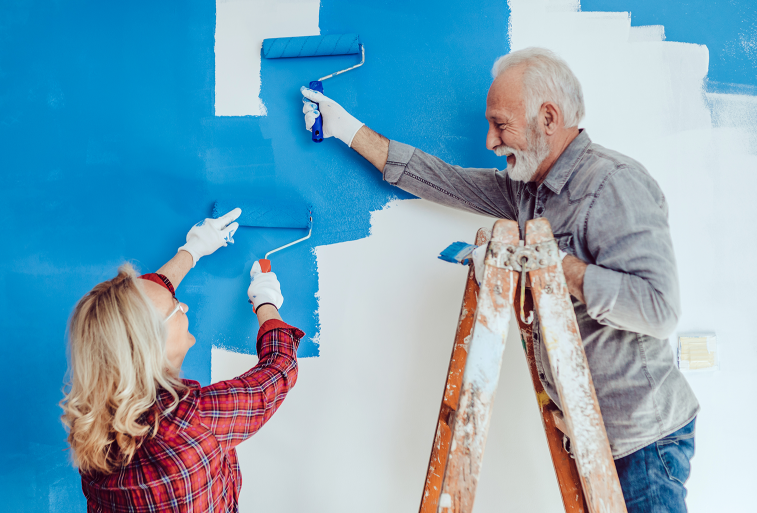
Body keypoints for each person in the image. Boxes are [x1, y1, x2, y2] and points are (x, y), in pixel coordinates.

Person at [300, 47, 699, 511]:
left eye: (500, 124)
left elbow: (658, 309)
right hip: (590, 436)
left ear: (547, 118)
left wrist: (551, 265)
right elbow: (442, 179)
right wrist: (345, 128)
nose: (490, 140)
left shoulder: (614, 185)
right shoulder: (527, 193)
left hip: (643, 442)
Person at [60, 208, 304, 512]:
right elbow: (278, 370)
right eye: (176, 306)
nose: (185, 306)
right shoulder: (192, 420)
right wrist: (266, 302)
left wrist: (192, 250)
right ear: (154, 345)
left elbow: (138, 309)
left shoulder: (94, 428)